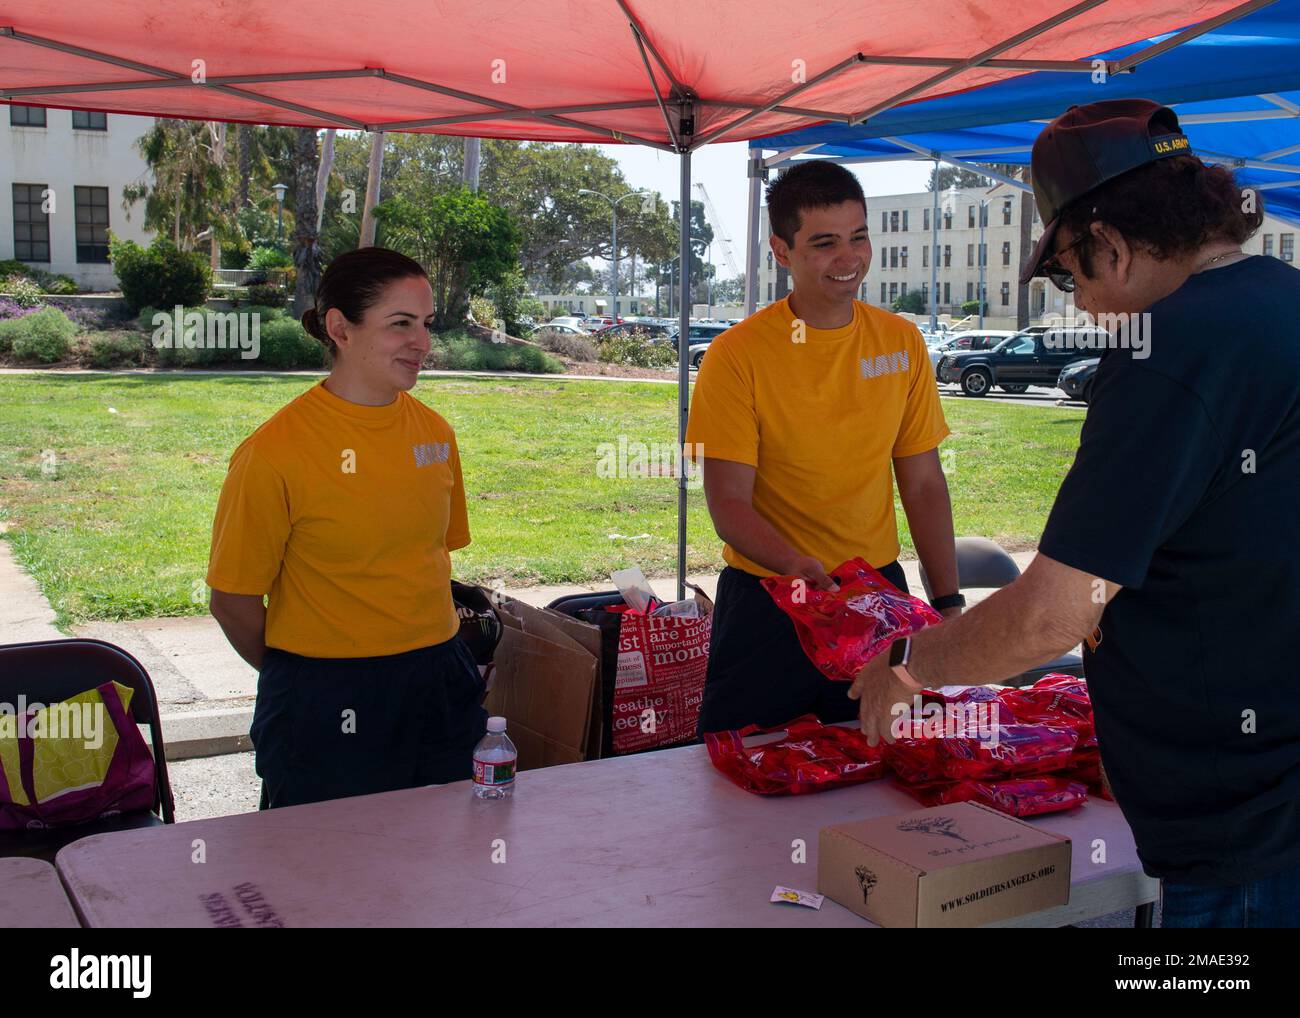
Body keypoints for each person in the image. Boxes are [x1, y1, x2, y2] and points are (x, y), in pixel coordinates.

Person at [849, 99, 1300, 927]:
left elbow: (1055, 613)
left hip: (1247, 831)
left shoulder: (1173, 352)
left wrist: (908, 664)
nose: (1081, 304)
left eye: (1067, 274)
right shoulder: (1281, 299)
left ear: (1110, 242)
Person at [686, 160, 962, 735]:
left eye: (859, 236)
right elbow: (728, 504)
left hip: (875, 597)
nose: (850, 258)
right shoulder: (737, 356)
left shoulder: (900, 340)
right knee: (743, 790)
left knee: (882, 778)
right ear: (781, 251)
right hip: (772, 600)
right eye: (825, 243)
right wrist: (795, 566)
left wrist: (948, 600)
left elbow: (923, 481)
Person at [207, 247, 486, 808]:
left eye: (426, 324)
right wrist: (303, 675)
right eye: (400, 324)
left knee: (450, 864)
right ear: (341, 328)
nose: (423, 344)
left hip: (439, 680)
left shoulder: (435, 434)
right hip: (325, 694)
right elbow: (232, 600)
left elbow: (430, 559)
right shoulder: (273, 453)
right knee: (323, 880)